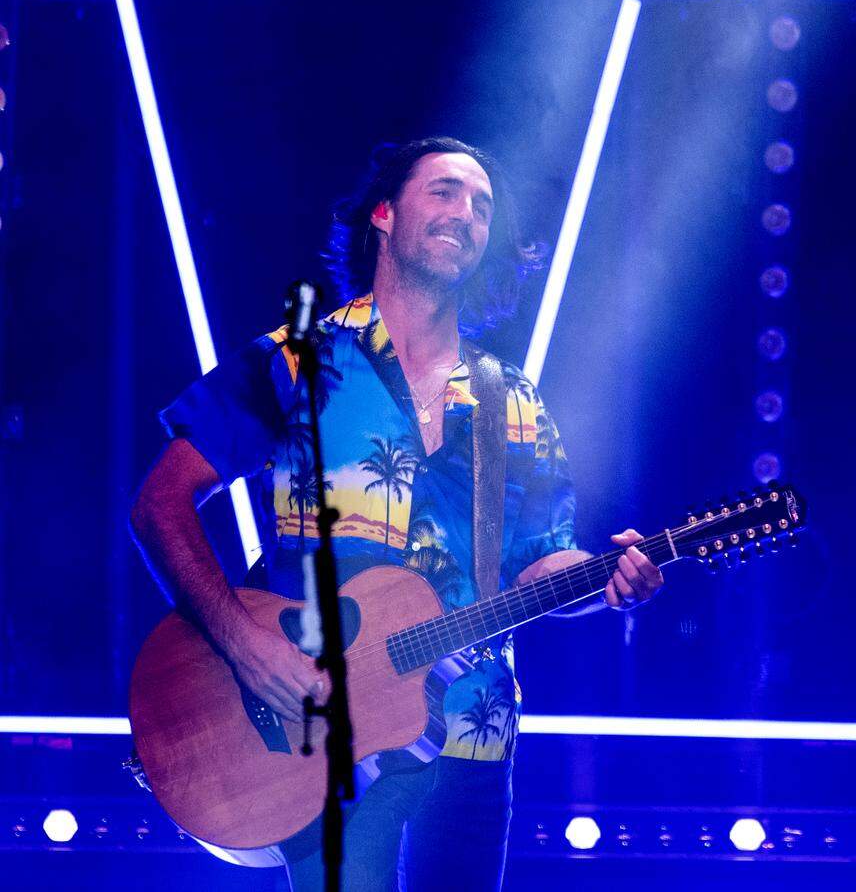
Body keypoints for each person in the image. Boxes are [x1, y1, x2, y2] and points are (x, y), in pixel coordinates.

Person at [130, 136, 663, 891]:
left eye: (482, 206)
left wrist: (610, 576)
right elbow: (159, 502)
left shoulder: (512, 399)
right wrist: (246, 646)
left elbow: (542, 563)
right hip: (327, 743)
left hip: (473, 748)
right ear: (383, 212)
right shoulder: (295, 359)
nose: (468, 213)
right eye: (445, 192)